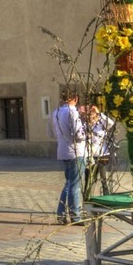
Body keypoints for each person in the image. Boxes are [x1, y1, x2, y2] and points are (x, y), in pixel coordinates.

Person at [51, 90, 87, 224]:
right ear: (75, 98)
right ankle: (76, 216)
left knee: (68, 183)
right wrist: (86, 132)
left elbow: (52, 132)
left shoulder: (56, 112)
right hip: (75, 151)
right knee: (75, 185)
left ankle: (61, 214)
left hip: (62, 150)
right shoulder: (73, 112)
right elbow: (78, 134)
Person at [83, 104, 116, 197]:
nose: (92, 118)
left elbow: (111, 123)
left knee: (103, 178)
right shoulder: (85, 126)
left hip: (102, 154)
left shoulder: (101, 125)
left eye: (94, 116)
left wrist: (100, 113)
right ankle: (87, 197)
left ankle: (106, 197)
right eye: (90, 116)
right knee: (89, 178)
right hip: (90, 155)